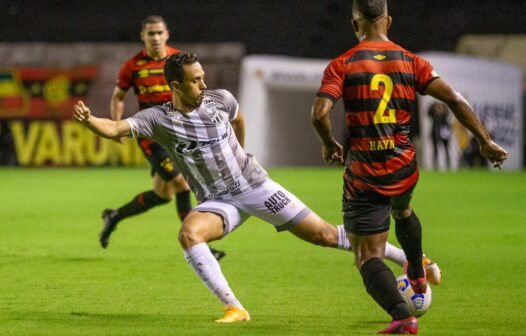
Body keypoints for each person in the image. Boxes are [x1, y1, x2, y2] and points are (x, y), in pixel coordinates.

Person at [73, 52, 440, 324]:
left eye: (203, 77)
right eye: (195, 80)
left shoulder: (220, 100)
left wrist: (243, 152)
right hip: (218, 201)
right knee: (189, 234)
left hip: (255, 186)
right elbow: (115, 129)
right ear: (175, 86)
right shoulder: (159, 119)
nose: (203, 84)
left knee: (325, 236)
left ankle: (409, 260)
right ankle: (235, 307)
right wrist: (90, 121)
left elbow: (239, 118)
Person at [311, 0, 508, 334]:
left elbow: (319, 114)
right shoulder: (411, 62)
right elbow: (455, 99)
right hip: (403, 166)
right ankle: (416, 272)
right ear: (388, 21)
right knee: (402, 210)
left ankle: (402, 316)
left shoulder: (342, 65)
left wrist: (329, 144)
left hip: (366, 173)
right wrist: (485, 141)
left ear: (354, 24)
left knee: (367, 255)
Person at [101, 15, 226, 260]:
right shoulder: (132, 66)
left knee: (162, 194)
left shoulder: (179, 61)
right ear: (143, 36)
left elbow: (196, 90)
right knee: (181, 184)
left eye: (159, 33)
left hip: (179, 134)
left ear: (166, 34)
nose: (155, 38)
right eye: (151, 33)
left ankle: (114, 215)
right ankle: (198, 243)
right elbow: (118, 97)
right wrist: (117, 126)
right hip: (152, 137)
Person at [428, 101, 451, 169]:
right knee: (435, 150)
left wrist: (443, 108)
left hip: (444, 133)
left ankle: (448, 164)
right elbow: (428, 113)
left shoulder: (444, 113)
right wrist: (434, 106)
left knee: (446, 149)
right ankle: (435, 164)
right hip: (435, 132)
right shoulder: (434, 114)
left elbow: (447, 114)